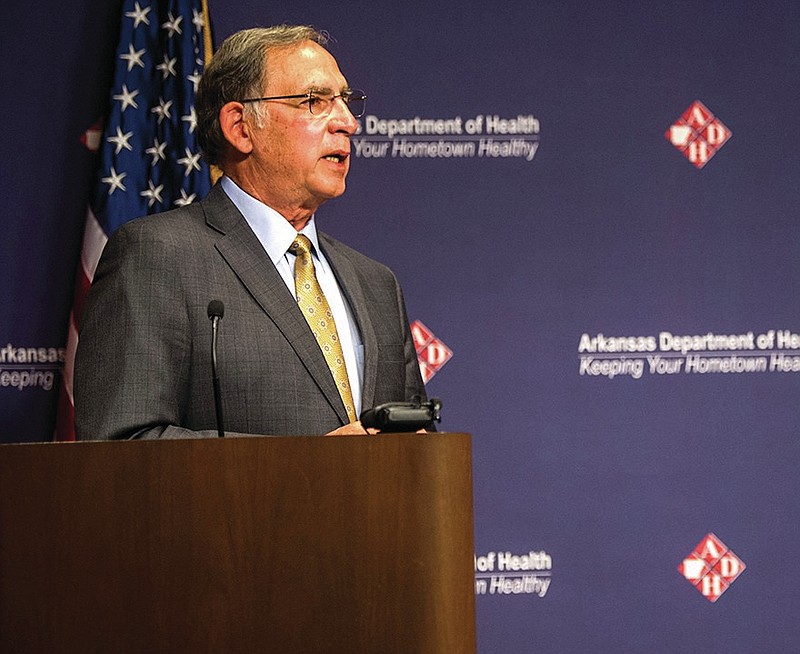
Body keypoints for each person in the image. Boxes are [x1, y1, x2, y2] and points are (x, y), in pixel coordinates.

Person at [74, 25, 426, 439]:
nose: (347, 122)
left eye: (346, 102)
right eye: (314, 101)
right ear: (240, 127)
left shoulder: (376, 284)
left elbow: (414, 443)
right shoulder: (157, 256)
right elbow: (121, 445)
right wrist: (307, 465)